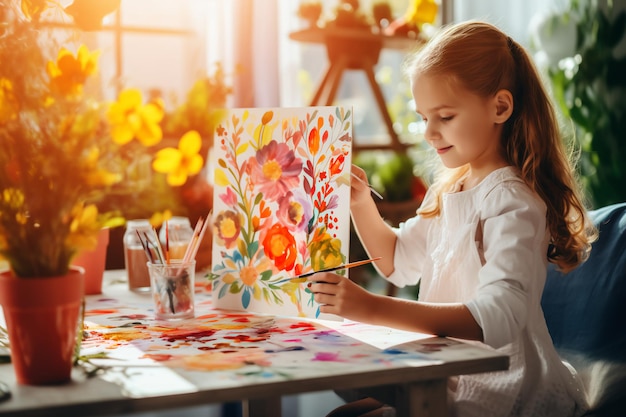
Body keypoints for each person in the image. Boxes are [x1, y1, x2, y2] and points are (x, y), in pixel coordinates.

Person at [309, 20, 597, 417]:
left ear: (500, 107)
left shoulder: (512, 200)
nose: (429, 132)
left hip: (508, 388)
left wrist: (371, 308)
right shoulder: (450, 190)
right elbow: (396, 260)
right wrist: (360, 203)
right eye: (423, 116)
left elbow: (499, 316)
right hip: (451, 376)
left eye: (444, 116)